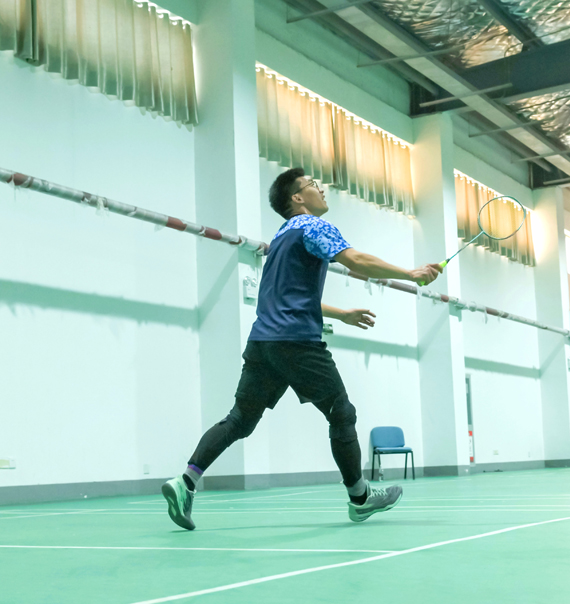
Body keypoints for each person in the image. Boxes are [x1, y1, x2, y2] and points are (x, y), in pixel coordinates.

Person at [161, 167, 443, 530]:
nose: (321, 189)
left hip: (263, 343)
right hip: (296, 341)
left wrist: (341, 314)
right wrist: (411, 273)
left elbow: (286, 298)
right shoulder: (314, 226)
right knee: (341, 413)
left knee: (240, 420)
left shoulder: (281, 238)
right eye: (312, 185)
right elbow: (356, 261)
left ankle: (185, 482)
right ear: (297, 198)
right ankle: (360, 498)